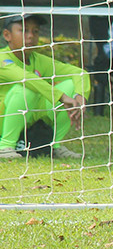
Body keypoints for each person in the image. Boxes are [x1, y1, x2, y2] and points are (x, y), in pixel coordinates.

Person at [0, 13, 89, 160]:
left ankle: (54, 145)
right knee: (28, 86)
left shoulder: (38, 59)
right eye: (24, 30)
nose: (30, 36)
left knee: (71, 85)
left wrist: (80, 95)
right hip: (3, 118)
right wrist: (62, 97)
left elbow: (79, 73)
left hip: (29, 117)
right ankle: (5, 146)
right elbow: (28, 79)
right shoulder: (2, 59)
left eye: (35, 32)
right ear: (7, 35)